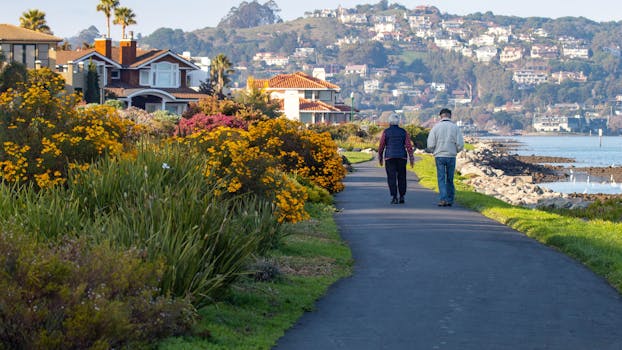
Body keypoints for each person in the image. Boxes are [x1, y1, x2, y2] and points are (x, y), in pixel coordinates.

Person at [427, 108, 464, 207]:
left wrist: (433, 150)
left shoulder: (435, 127)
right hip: (451, 156)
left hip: (439, 155)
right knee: (450, 178)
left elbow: (430, 144)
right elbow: (460, 144)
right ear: (450, 116)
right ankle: (450, 199)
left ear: (440, 116)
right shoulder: (455, 128)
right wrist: (455, 151)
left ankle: (443, 198)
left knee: (441, 178)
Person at [378, 113, 415, 204]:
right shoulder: (403, 132)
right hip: (402, 157)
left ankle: (394, 196)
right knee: (402, 176)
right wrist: (411, 157)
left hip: (389, 157)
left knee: (391, 177)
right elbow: (408, 145)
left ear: (389, 122)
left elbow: (381, 145)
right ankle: (402, 196)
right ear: (398, 122)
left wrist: (380, 156)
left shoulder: (386, 132)